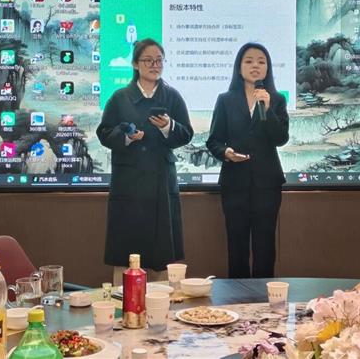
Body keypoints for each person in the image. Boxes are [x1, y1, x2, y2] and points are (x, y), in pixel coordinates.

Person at [97, 39, 193, 283]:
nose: (154, 65)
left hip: (161, 183)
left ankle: (163, 302)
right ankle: (124, 301)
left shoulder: (172, 96)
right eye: (148, 60)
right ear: (135, 64)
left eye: (159, 60)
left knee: (162, 254)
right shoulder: (120, 98)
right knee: (126, 254)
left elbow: (186, 134)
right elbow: (104, 133)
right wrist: (127, 137)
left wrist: (168, 127)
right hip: (128, 184)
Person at [206, 43, 289, 278]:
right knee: (237, 246)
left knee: (265, 247)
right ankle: (237, 296)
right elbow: (213, 140)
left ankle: (263, 296)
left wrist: (267, 109)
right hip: (234, 183)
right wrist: (226, 153)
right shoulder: (225, 100)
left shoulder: (277, 100)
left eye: (261, 61)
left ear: (268, 68)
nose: (255, 66)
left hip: (267, 184)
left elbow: (281, 138)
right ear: (239, 67)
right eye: (249, 61)